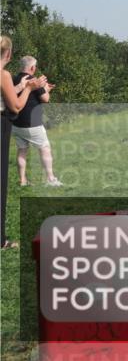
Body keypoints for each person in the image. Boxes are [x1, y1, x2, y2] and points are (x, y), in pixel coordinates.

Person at [1, 35, 48, 249]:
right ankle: (1, 241)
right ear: (8, 54)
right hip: (7, 125)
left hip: (13, 127)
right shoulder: (3, 74)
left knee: (20, 153)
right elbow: (15, 107)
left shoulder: (10, 77)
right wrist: (30, 88)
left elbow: (6, 96)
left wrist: (20, 86)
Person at [12, 56, 60, 187]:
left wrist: (43, 88)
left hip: (16, 123)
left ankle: (22, 180)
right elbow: (45, 99)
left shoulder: (14, 79)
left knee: (22, 151)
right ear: (33, 68)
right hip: (32, 124)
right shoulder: (34, 81)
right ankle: (51, 179)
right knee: (45, 149)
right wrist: (47, 90)